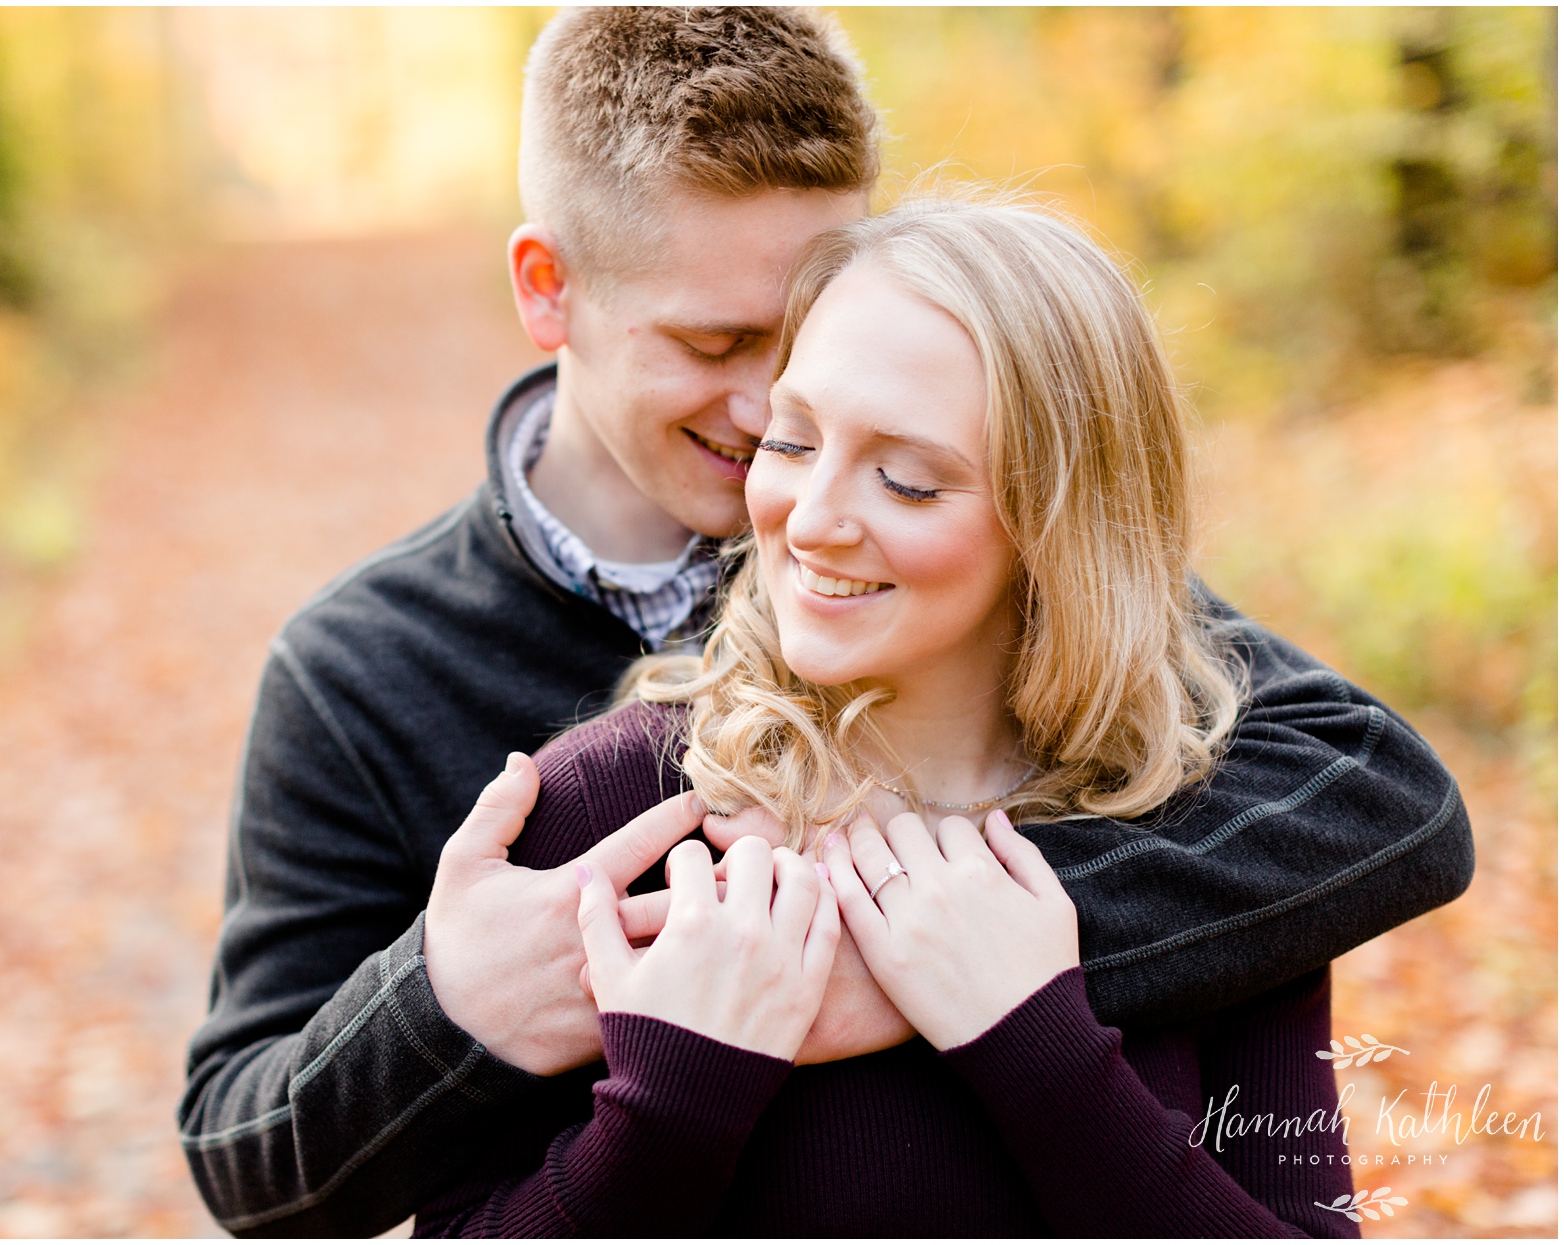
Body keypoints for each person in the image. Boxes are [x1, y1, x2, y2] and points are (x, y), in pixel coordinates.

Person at [178, 8, 1471, 1237]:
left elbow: (1372, 784)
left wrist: (970, 969)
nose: (774, 454)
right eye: (723, 343)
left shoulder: (1160, 761)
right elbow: (256, 1158)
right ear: (549, 288)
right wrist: (453, 1007)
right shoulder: (414, 701)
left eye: (807, 334)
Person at [416, 192, 1369, 1238]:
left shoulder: (1213, 836)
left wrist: (1036, 1050)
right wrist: (672, 1108)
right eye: (791, 442)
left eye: (907, 482)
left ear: (1061, 524)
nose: (812, 519)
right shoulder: (623, 816)